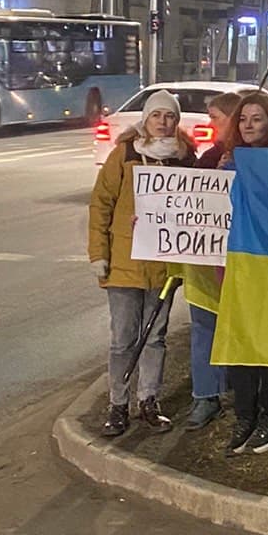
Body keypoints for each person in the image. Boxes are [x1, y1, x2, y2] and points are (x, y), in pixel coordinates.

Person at [88, 88, 196, 437]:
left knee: (155, 337)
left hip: (163, 266)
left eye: (170, 116)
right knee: (123, 339)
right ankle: (118, 405)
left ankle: (149, 400)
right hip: (124, 263)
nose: (163, 122)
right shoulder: (125, 154)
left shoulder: (184, 158)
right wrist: (99, 255)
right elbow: (101, 205)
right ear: (146, 119)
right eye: (157, 115)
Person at [215, 89, 268, 456]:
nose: (248, 126)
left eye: (257, 119)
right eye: (243, 120)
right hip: (237, 268)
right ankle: (244, 417)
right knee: (241, 345)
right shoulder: (226, 160)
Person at [182, 91, 240, 429]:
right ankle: (206, 396)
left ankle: (248, 399)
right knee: (204, 325)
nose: (210, 123)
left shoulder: (260, 154)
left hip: (245, 261)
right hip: (207, 262)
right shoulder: (208, 158)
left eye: (215, 117)